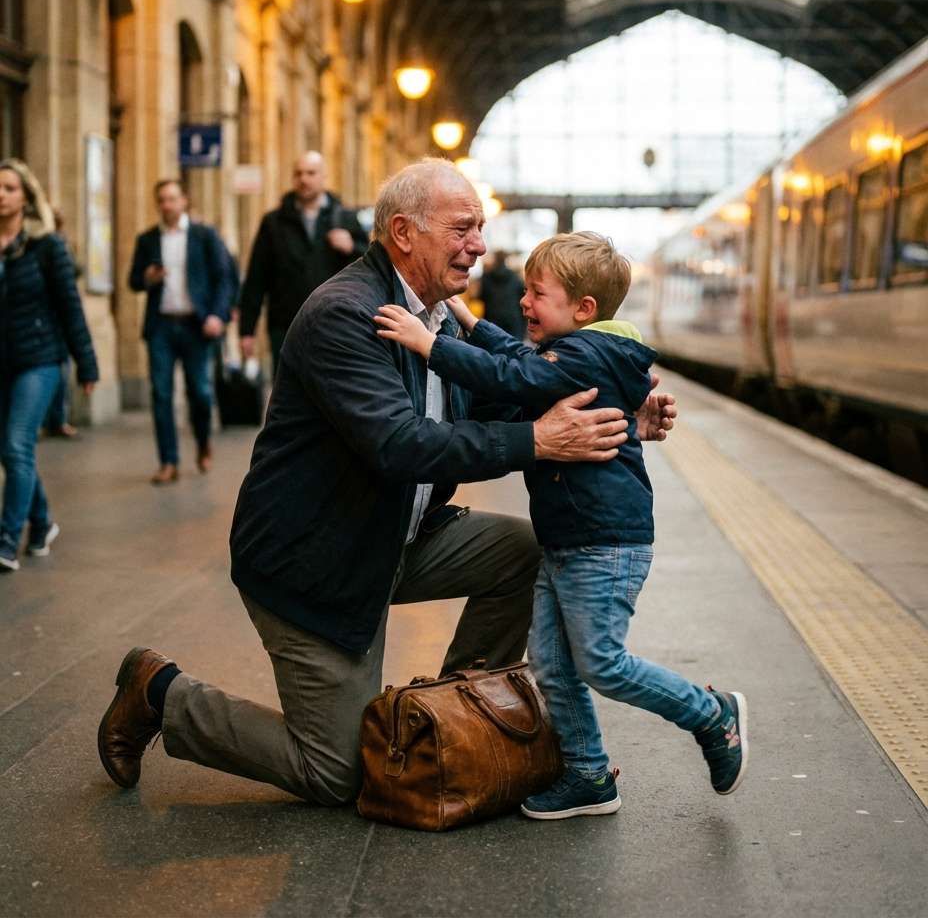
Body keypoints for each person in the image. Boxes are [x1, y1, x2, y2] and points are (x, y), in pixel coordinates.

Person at [96, 160, 676, 806]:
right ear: (404, 232)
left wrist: (623, 416)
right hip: (317, 563)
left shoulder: (435, 315)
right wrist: (539, 442)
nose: (479, 245)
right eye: (463, 228)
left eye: (480, 228)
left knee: (524, 554)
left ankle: (454, 725)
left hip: (398, 536)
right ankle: (159, 692)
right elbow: (400, 445)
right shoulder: (345, 315)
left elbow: (506, 404)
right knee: (335, 773)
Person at [375, 230, 746, 821]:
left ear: (583, 310)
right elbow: (521, 361)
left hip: (603, 542)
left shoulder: (584, 355)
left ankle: (711, 715)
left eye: (536, 293)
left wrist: (431, 345)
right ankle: (588, 773)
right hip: (569, 540)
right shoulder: (577, 350)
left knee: (600, 661)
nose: (523, 302)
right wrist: (468, 321)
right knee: (550, 663)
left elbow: (512, 380)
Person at [0, 160, 98, 573]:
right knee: (10, 449)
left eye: (8, 187)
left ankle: (6, 540)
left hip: (39, 360)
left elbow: (70, 307)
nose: (1, 194)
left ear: (26, 196)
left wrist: (86, 364)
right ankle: (41, 522)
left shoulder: (46, 245)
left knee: (17, 443)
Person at [128, 179, 233, 485]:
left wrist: (217, 314)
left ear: (184, 201)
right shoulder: (147, 239)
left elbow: (223, 277)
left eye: (172, 198)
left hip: (195, 325)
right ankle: (168, 462)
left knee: (200, 392)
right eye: (161, 199)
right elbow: (133, 281)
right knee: (161, 394)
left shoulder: (204, 235)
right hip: (161, 325)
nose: (167, 205)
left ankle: (202, 442)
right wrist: (147, 277)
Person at [238, 152, 368, 372]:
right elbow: (257, 278)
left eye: (311, 173)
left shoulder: (345, 217)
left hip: (336, 323)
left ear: (324, 177)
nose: (304, 179)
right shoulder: (273, 223)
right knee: (288, 394)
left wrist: (351, 248)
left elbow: (370, 265)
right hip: (285, 324)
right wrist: (246, 331)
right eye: (298, 174)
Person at [42, 207, 82, 439]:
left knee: (62, 371)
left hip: (55, 321)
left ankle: (58, 418)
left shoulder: (58, 244)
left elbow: (74, 272)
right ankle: (53, 419)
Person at [478, 250, 525, 338]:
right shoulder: (515, 277)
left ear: (495, 259)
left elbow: (481, 297)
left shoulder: (486, 278)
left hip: (492, 318)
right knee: (514, 348)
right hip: (512, 318)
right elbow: (522, 297)